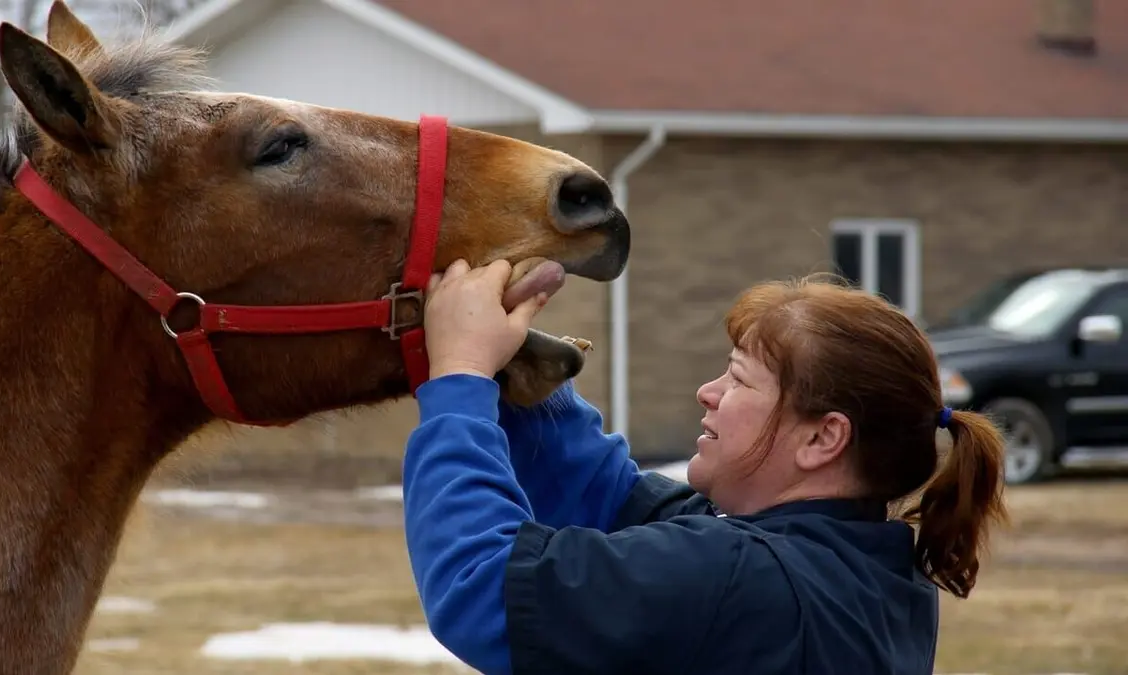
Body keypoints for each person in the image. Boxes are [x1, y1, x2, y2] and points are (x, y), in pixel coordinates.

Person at [401, 259, 1009, 675]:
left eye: (738, 379)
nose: (707, 392)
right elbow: (613, 499)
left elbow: (480, 587)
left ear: (824, 437)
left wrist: (461, 379)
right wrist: (525, 374)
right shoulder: (865, 567)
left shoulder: (741, 577)